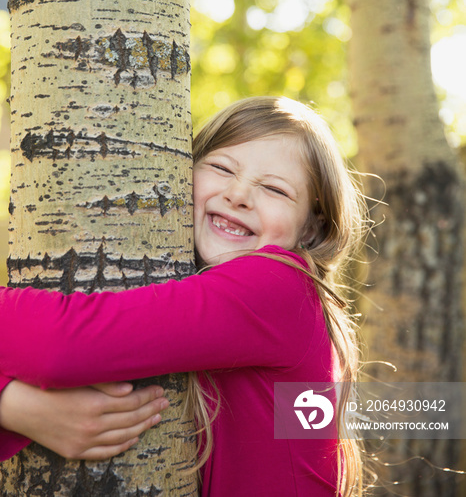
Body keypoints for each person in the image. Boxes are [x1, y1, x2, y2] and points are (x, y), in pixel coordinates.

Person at [0, 96, 367, 496]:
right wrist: (13, 407)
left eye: (275, 190)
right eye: (222, 168)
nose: (239, 194)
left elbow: (60, 342)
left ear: (311, 230)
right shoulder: (213, 299)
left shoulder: (280, 286)